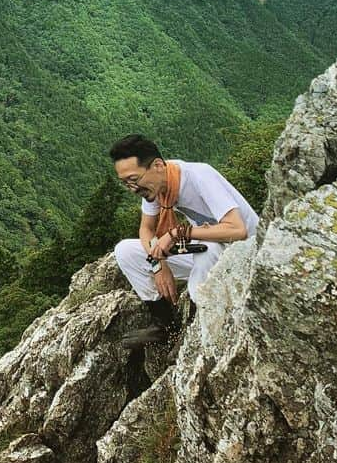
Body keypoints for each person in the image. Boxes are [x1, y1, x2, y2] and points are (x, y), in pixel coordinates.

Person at [110, 134, 258, 347]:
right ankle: (165, 325)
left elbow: (237, 229)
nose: (132, 188)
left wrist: (178, 234)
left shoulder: (199, 176)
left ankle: (201, 324)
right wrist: (158, 263)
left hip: (246, 256)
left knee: (207, 248)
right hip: (213, 252)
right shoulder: (159, 188)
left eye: (134, 179)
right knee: (126, 251)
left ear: (158, 165)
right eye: (125, 183)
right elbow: (146, 229)